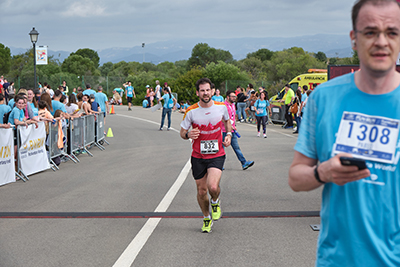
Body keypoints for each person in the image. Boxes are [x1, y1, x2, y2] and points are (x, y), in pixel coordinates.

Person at [289, 0, 400, 265]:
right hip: (337, 259)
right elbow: (296, 177)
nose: (381, 42)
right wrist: (322, 172)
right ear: (354, 38)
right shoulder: (323, 98)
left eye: (392, 32)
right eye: (370, 32)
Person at [180, 78, 232, 233]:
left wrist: (228, 134)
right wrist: (189, 134)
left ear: (212, 91)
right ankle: (206, 218)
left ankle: (215, 201)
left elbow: (227, 122)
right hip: (198, 156)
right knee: (202, 191)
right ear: (198, 93)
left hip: (217, 154)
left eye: (208, 90)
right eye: (202, 90)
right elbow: (182, 133)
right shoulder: (191, 111)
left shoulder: (221, 107)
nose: (205, 93)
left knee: (213, 186)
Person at [223, 90, 255, 170]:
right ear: (228, 97)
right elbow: (222, 119)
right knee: (221, 149)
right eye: (233, 96)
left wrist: (234, 125)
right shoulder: (224, 106)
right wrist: (229, 125)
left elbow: (233, 117)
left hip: (232, 130)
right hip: (224, 130)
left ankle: (244, 163)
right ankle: (219, 165)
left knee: (236, 148)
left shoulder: (233, 105)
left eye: (235, 96)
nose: (234, 98)